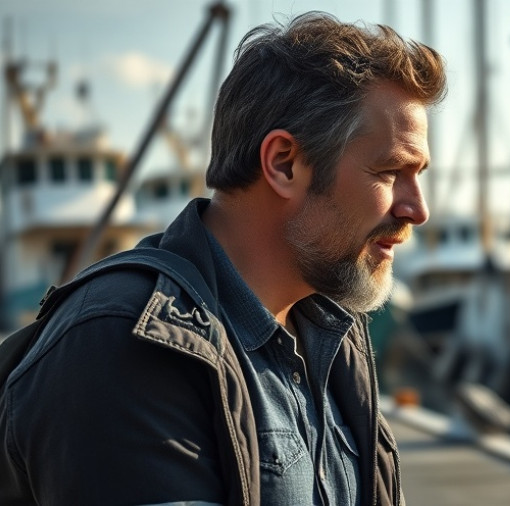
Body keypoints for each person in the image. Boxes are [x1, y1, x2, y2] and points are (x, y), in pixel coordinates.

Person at [0, 11, 446, 506]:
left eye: (418, 174)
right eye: (390, 172)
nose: (418, 209)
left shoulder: (333, 332)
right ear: (284, 164)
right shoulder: (120, 344)